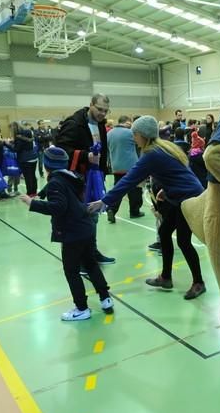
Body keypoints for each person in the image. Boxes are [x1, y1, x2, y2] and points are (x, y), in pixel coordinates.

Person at [88, 116, 206, 300]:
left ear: (142, 135)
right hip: (181, 195)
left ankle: (199, 282)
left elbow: (129, 179)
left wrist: (104, 201)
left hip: (188, 199)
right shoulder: (163, 146)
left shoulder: (152, 153)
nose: (133, 138)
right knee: (165, 233)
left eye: (135, 134)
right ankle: (166, 278)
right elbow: (177, 173)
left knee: (183, 241)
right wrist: (167, 191)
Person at [21, 146, 113, 321]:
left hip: (73, 233)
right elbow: (55, 188)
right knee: (91, 264)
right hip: (86, 227)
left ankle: (81, 308)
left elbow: (58, 207)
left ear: (46, 165)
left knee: (71, 271)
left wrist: (32, 204)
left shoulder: (56, 182)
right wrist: (40, 194)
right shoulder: (70, 176)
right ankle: (105, 299)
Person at [54, 93, 115, 265]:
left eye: (105, 111)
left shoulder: (101, 124)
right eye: (99, 109)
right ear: (91, 105)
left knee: (93, 215)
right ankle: (79, 259)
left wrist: (102, 171)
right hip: (76, 178)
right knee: (77, 218)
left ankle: (91, 253)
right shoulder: (74, 123)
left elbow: (102, 151)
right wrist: (84, 156)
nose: (102, 113)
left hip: (95, 177)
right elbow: (61, 149)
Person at [106, 115, 143, 223]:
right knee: (135, 189)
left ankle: (112, 209)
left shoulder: (109, 133)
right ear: (127, 122)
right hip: (131, 165)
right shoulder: (130, 133)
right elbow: (140, 144)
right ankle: (134, 211)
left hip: (116, 166)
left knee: (118, 189)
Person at [11, 121, 38, 196]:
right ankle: (34, 192)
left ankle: (29, 193)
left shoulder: (18, 136)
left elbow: (17, 149)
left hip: (25, 159)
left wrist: (7, 145)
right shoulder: (27, 133)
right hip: (33, 157)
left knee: (28, 176)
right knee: (32, 175)